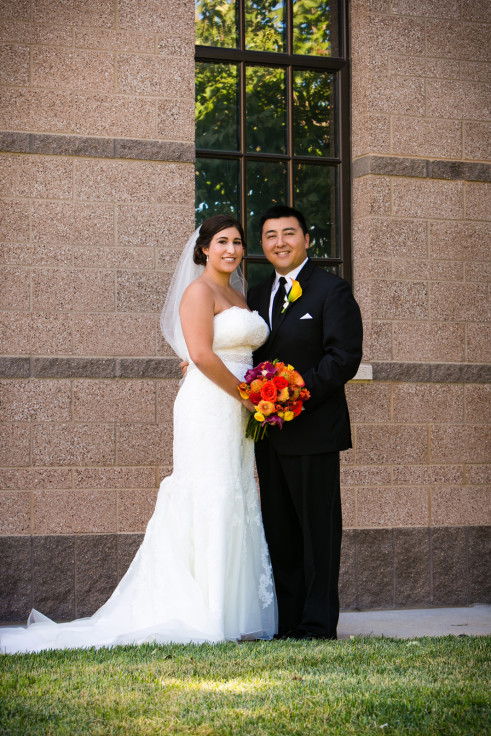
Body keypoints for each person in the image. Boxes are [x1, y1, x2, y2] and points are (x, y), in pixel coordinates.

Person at [0, 214, 277, 654]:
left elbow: (232, 348)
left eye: (238, 242)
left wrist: (264, 390)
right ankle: (207, 612)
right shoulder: (198, 291)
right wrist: (248, 396)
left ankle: (233, 609)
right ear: (204, 248)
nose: (231, 249)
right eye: (222, 241)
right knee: (211, 492)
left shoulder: (238, 293)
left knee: (237, 492)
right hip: (211, 406)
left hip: (240, 408)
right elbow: (202, 356)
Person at [247, 205, 363, 640]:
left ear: (307, 239)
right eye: (270, 235)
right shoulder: (256, 295)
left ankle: (316, 626)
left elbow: (343, 359)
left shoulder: (332, 291)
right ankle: (289, 622)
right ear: (263, 245)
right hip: (269, 436)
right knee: (280, 533)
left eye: (289, 233)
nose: (280, 242)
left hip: (314, 432)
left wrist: (293, 397)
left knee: (318, 535)